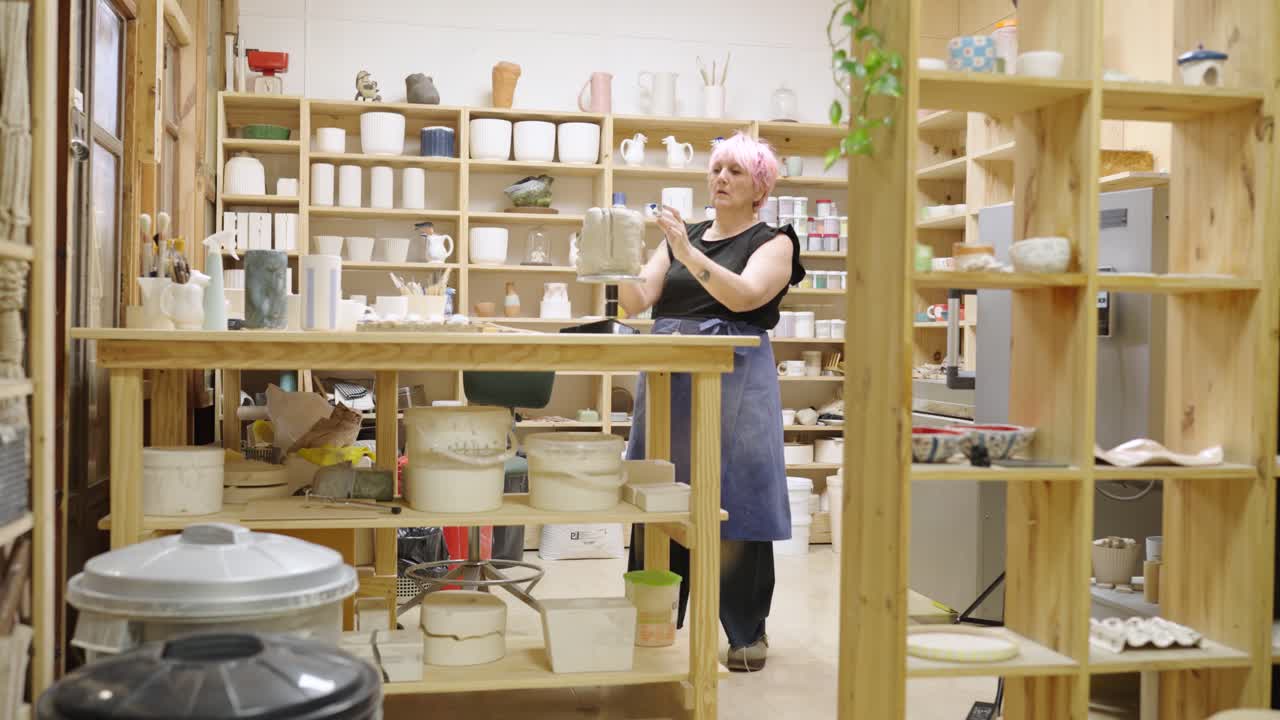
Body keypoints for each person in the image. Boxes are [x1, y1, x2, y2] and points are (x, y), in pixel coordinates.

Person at [618, 132, 804, 672]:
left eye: (735, 171)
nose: (721, 177)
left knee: (736, 499)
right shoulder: (685, 235)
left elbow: (745, 296)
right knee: (659, 491)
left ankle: (746, 630)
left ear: (759, 188)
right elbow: (638, 299)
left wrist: (686, 252)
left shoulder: (775, 242)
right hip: (668, 375)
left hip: (735, 375)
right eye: (717, 168)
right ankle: (652, 615)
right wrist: (611, 261)